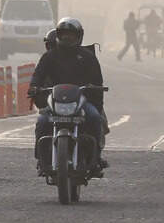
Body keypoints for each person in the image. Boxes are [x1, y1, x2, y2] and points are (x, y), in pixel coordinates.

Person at [28, 18, 109, 173]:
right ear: (58, 35)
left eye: (71, 35)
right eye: (64, 34)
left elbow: (98, 81)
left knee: (94, 117)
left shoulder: (88, 57)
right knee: (42, 121)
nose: (67, 38)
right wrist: (34, 87)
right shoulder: (49, 57)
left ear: (79, 36)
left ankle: (96, 157)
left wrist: (94, 89)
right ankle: (41, 159)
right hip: (56, 101)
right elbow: (38, 75)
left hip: (81, 101)